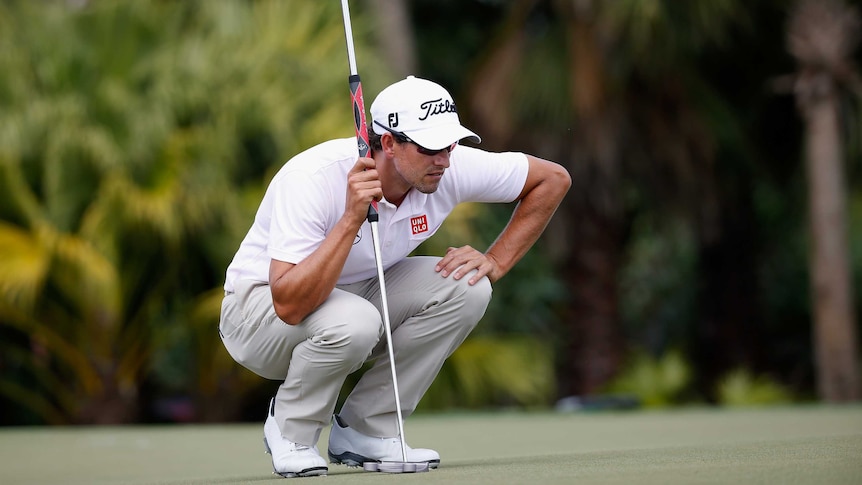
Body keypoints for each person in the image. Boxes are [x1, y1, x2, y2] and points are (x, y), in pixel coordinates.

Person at [219, 75, 571, 478]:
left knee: (468, 287)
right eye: (429, 148)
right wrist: (352, 217)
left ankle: (367, 429)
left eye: (450, 145)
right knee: (356, 320)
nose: (444, 159)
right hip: (257, 315)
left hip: (352, 298)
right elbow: (289, 303)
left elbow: (553, 179)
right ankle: (291, 431)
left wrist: (496, 260)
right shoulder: (313, 178)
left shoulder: (444, 168)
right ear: (388, 143)